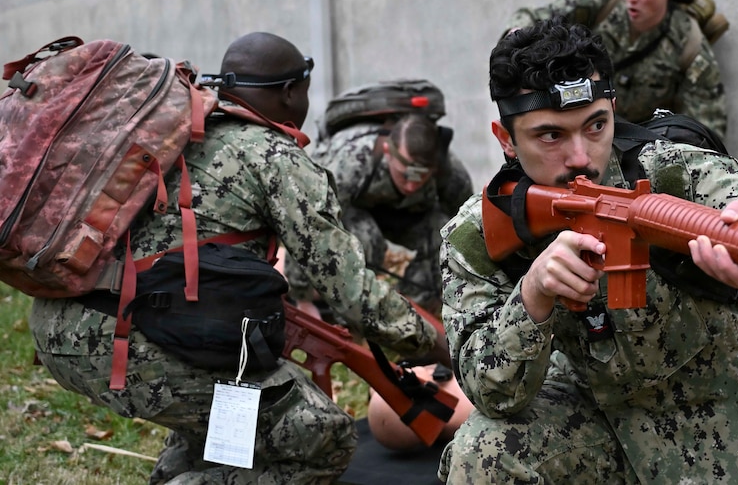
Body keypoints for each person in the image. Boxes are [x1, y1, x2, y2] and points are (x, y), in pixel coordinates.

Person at [438, 19, 738, 484]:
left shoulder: (672, 172)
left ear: (613, 109)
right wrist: (533, 294)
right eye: (551, 136)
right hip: (588, 426)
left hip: (713, 421)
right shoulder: (479, 231)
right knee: (483, 452)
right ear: (505, 138)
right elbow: (492, 394)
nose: (581, 156)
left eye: (596, 125)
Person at [29, 32, 449, 484]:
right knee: (325, 438)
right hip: (128, 338)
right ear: (292, 91)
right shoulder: (273, 155)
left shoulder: (178, 130)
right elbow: (352, 291)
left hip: (63, 319)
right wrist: (438, 342)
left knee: (231, 417)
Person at [505, 0, 729, 139]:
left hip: (641, 145)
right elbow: (533, 17)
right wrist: (517, 37)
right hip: (577, 126)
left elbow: (705, 131)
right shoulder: (603, 3)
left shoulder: (689, 45)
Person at [287, 109, 474, 315]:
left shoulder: (448, 169)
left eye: (420, 177)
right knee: (368, 241)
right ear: (388, 151)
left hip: (408, 215)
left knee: (443, 233)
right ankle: (352, 314)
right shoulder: (352, 161)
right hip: (354, 211)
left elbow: (468, 224)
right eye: (405, 175)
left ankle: (414, 314)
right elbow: (307, 221)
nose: (411, 186)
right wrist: (301, 297)